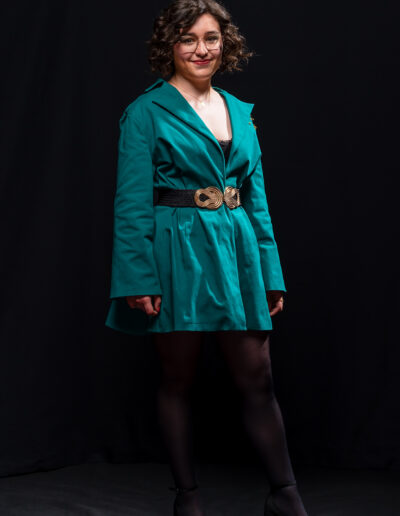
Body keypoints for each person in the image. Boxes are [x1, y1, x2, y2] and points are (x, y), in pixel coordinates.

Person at [105, 1, 309, 515]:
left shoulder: (240, 111)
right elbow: (131, 203)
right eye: (189, 38)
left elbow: (257, 201)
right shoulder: (146, 112)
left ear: (225, 43)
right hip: (177, 251)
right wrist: (137, 277)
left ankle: (285, 496)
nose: (202, 49)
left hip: (238, 252)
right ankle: (188, 498)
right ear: (170, 46)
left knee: (257, 378)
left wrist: (271, 274)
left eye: (211, 38)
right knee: (178, 378)